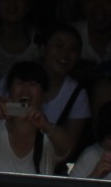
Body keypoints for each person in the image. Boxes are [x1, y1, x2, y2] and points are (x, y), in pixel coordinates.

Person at [34, 24, 91, 160]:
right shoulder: (19, 77)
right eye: (59, 46)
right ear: (44, 48)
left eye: (73, 49)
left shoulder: (77, 93)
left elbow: (68, 150)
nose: (65, 54)